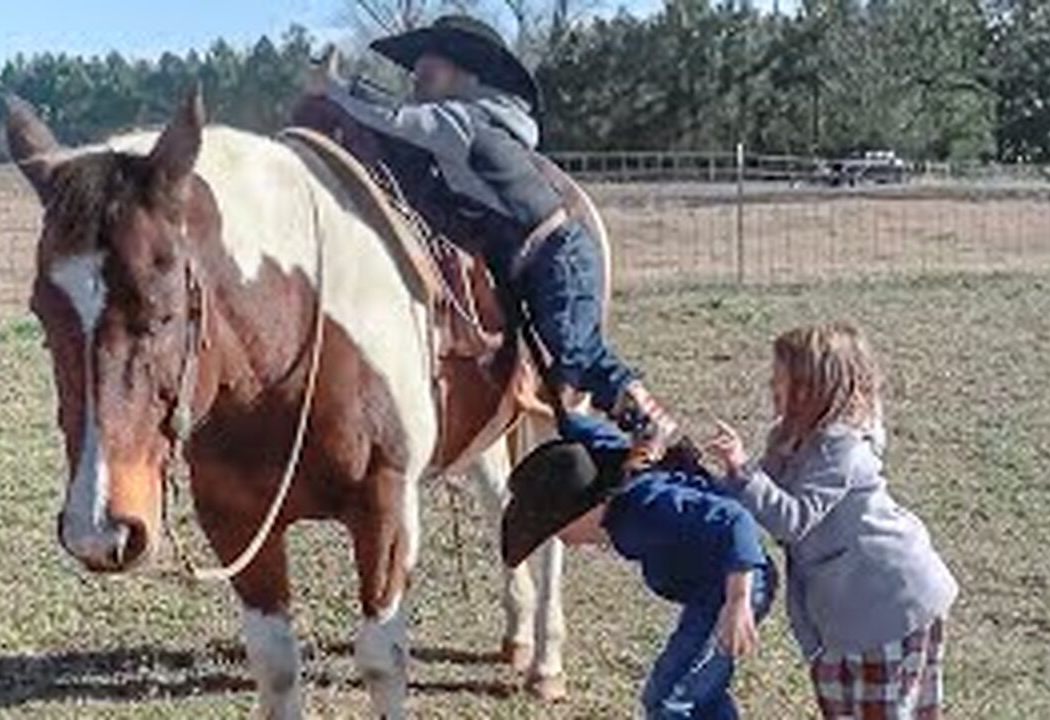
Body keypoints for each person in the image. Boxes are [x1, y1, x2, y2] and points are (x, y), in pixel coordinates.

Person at [303, 15, 677, 467]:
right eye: (416, 70)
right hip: (538, 256)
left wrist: (335, 89)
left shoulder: (461, 119)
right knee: (553, 354)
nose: (417, 78)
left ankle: (649, 421)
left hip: (555, 255)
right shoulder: (469, 119)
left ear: (464, 74)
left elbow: (396, 119)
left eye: (430, 69)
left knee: (572, 347)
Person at [704, 323, 958, 719]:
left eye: (781, 379)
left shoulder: (842, 447)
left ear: (812, 388)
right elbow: (765, 495)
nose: (772, 385)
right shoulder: (790, 435)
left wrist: (742, 471)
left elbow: (792, 519)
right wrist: (726, 483)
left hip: (890, 603)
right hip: (846, 610)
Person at [502, 412, 778, 718]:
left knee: (667, 698)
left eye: (560, 529)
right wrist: (562, 416)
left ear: (586, 509)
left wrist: (738, 601)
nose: (564, 541)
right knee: (699, 691)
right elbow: (592, 432)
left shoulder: (645, 505)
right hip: (711, 588)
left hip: (736, 583)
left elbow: (734, 519)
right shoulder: (608, 470)